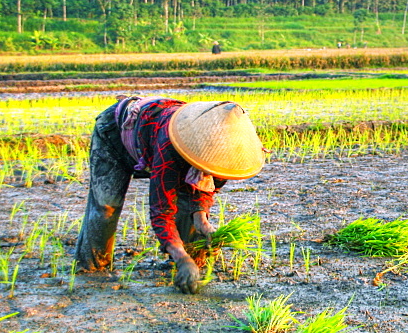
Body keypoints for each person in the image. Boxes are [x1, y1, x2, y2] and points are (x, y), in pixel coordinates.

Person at [74, 97, 266, 293]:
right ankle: (92, 270)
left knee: (187, 202)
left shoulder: (226, 158)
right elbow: (161, 212)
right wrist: (181, 258)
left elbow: (203, 189)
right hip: (115, 134)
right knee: (106, 204)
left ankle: (192, 263)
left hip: (152, 140)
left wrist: (202, 220)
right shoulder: (173, 146)